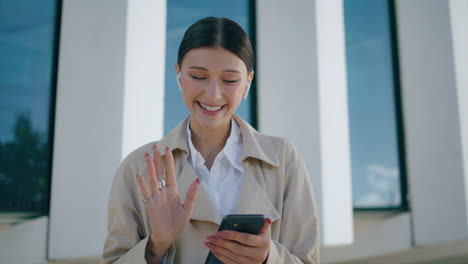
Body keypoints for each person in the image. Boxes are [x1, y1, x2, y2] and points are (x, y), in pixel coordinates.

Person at [101, 16, 320, 264]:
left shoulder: (283, 159)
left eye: (229, 80)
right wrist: (156, 245)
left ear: (248, 83)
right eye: (197, 76)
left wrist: (270, 257)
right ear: (179, 75)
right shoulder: (137, 167)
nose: (213, 94)